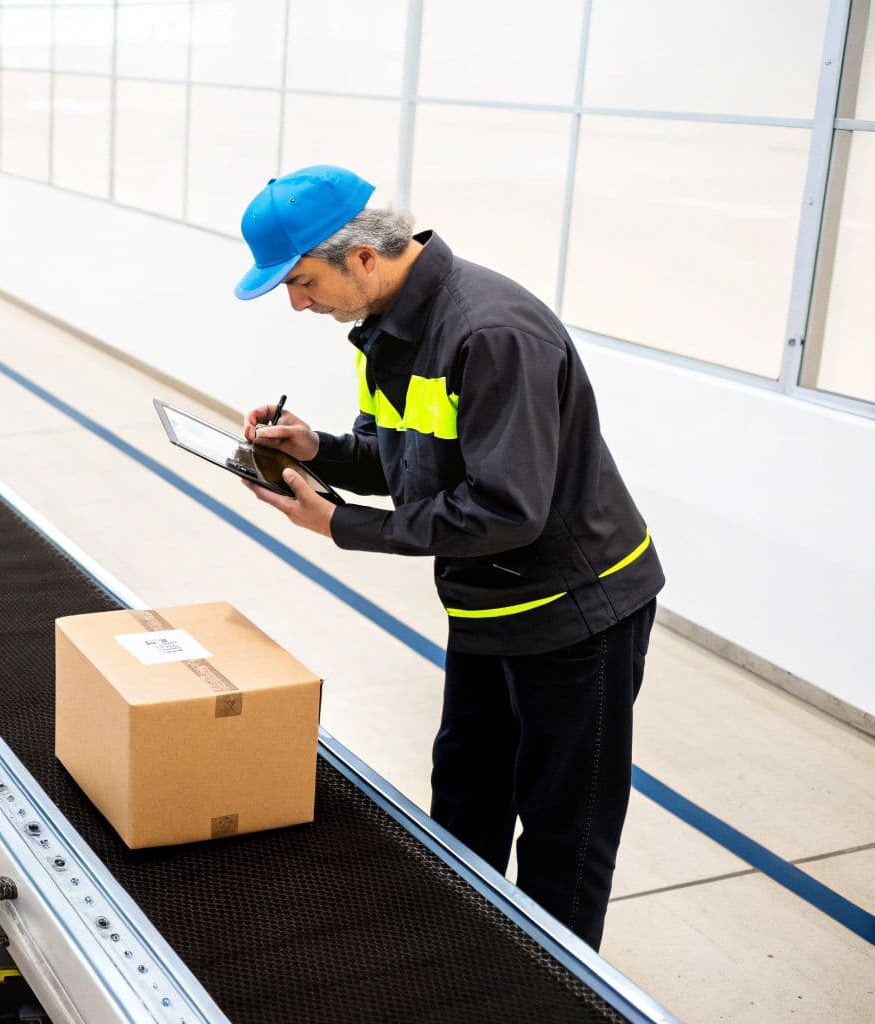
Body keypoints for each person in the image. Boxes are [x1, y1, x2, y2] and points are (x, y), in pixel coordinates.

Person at [233, 164, 663, 950]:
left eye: (301, 281)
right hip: (487, 604)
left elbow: (507, 509)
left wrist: (342, 526)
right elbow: (403, 458)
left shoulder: (490, 333)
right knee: (467, 797)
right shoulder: (383, 330)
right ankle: (462, 960)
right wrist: (319, 450)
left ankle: (552, 997)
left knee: (564, 834)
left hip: (575, 613)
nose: (297, 304)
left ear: (362, 258)